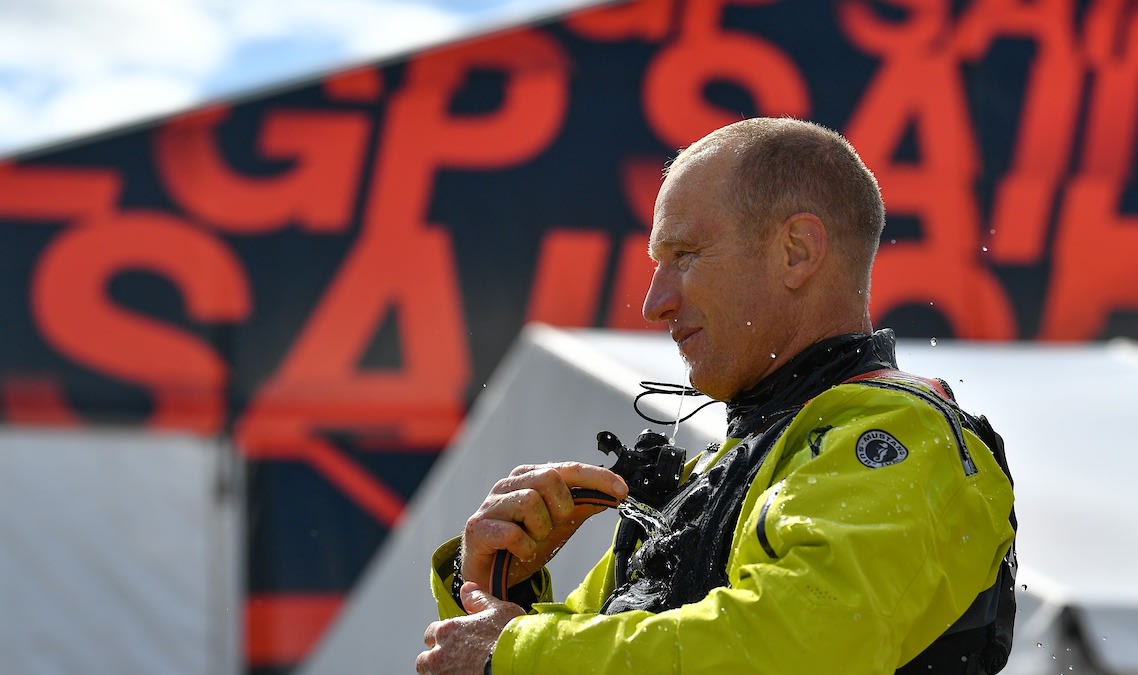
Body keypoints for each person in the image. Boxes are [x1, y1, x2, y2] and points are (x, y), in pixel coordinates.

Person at [416, 117, 1017, 674]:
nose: (655, 304)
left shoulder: (901, 435)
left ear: (797, 251)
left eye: (685, 256)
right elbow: (604, 647)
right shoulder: (730, 467)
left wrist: (513, 652)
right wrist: (498, 589)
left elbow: (797, 648)